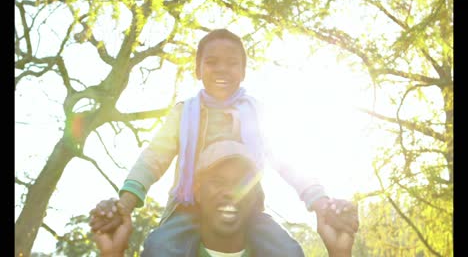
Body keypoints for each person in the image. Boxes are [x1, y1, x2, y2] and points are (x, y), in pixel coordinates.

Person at [89, 28, 358, 256]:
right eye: (212, 62)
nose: (222, 69)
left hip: (244, 206)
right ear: (197, 69)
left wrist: (320, 202)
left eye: (232, 63)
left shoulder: (256, 113)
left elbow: (287, 161)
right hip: (190, 206)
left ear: (243, 71)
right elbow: (153, 158)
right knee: (159, 246)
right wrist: (125, 203)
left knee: (287, 250)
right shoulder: (185, 113)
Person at [92, 141, 357, 257]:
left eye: (241, 183)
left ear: (255, 196)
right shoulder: (167, 248)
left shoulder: (279, 249)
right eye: (217, 181)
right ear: (196, 191)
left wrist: (340, 253)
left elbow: (289, 165)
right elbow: (153, 157)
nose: (229, 191)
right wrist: (113, 253)